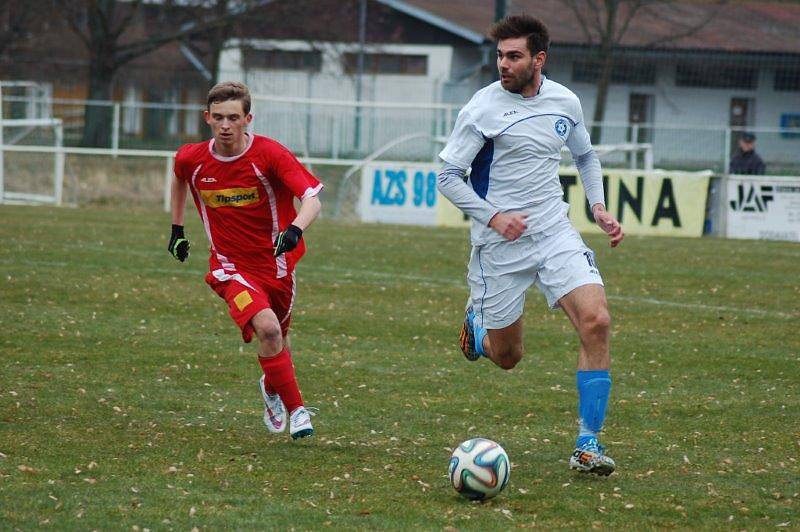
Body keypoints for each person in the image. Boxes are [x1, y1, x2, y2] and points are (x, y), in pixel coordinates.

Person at [437, 15, 624, 476]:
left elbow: (584, 154)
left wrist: (597, 207)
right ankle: (476, 331)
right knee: (507, 357)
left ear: (539, 59)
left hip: (554, 231)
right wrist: (494, 216)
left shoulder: (565, 102)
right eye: (500, 55)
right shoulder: (481, 109)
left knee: (597, 321)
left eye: (514, 55)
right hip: (498, 245)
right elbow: (446, 176)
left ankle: (587, 444)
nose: (504, 63)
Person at [168, 81, 323, 440]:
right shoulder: (192, 158)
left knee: (277, 339)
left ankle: (271, 387)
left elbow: (312, 199)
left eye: (233, 118)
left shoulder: (269, 155)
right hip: (229, 268)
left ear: (247, 119)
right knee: (267, 329)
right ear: (207, 117)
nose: (225, 125)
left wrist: (296, 228)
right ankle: (298, 410)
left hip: (277, 266)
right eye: (218, 117)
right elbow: (178, 176)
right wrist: (177, 229)